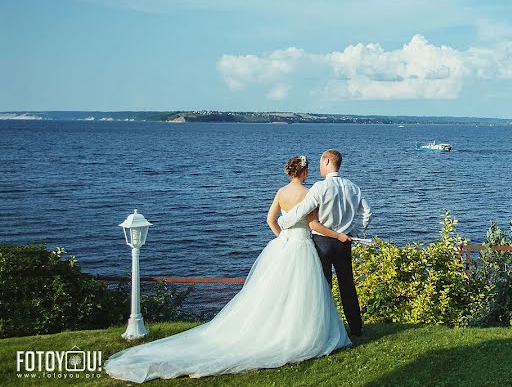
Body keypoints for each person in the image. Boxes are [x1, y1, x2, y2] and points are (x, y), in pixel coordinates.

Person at [105, 156, 351, 383]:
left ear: (290, 172)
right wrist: (338, 236)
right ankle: (300, 333)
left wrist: (281, 238)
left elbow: (270, 220)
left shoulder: (281, 192)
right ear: (305, 171)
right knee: (303, 293)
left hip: (284, 245)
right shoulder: (309, 193)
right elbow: (314, 224)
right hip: (302, 245)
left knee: (271, 292)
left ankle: (276, 329)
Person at [277, 148, 371, 336]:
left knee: (323, 286)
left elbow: (303, 209)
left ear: (327, 162)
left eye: (320, 163)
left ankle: (324, 329)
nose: (318, 167)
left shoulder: (320, 187)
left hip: (322, 243)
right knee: (347, 285)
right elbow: (367, 213)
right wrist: (355, 231)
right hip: (344, 242)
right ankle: (356, 328)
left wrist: (283, 221)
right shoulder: (353, 187)